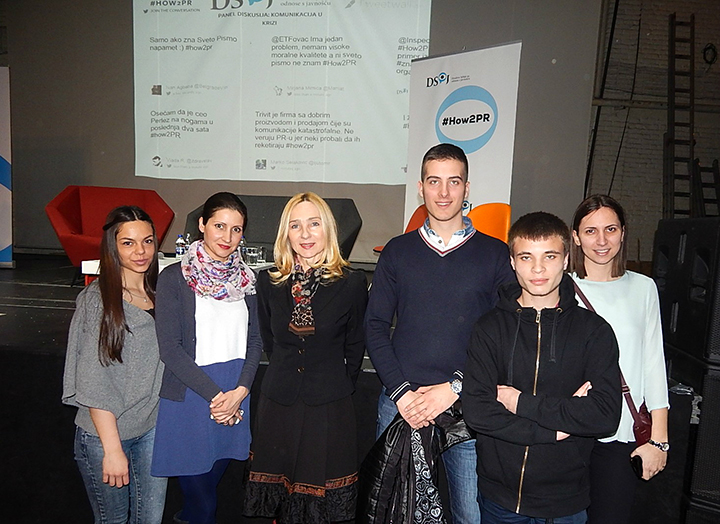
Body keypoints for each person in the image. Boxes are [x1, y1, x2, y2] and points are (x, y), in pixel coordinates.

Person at [365, 143, 515, 523]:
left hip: (468, 406)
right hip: (401, 405)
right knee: (392, 514)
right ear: (421, 188)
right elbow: (375, 326)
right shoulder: (397, 252)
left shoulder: (495, 254)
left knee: (470, 515)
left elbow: (507, 333)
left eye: (454, 182)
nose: (444, 192)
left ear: (467, 188)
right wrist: (402, 394)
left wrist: (455, 387)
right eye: (434, 182)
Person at [463, 211, 622, 524]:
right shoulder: (489, 328)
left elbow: (605, 415)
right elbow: (478, 411)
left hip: (566, 502)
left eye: (549, 256)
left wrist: (518, 402)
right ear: (512, 262)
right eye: (526, 257)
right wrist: (554, 430)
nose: (538, 269)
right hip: (501, 500)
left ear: (566, 260)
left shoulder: (594, 331)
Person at [243, 192, 368, 523]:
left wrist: (334, 383)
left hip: (328, 405)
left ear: (328, 229)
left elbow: (355, 345)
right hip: (278, 403)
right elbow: (270, 341)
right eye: (295, 225)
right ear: (285, 233)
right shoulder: (268, 282)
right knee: (278, 506)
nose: (305, 234)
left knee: (320, 508)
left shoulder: (352, 283)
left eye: (314, 224)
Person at [151, 192, 262, 524]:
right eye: (219, 226)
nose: (227, 237)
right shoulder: (174, 277)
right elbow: (170, 349)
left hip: (235, 393)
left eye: (236, 229)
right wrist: (218, 398)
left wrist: (239, 392)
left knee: (202, 498)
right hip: (192, 396)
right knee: (204, 505)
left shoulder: (247, 280)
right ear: (202, 224)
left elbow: (256, 340)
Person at [62, 205, 167, 524]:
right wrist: (112, 449)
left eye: (147, 241)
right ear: (112, 246)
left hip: (150, 428)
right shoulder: (99, 301)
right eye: (128, 243)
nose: (141, 251)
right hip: (105, 436)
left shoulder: (159, 292)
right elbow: (94, 381)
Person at [570, 195, 669, 524]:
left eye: (610, 229)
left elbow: (653, 363)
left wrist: (659, 440)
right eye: (591, 231)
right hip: (568, 431)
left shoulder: (644, 288)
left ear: (623, 232)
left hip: (621, 433)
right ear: (575, 237)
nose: (601, 240)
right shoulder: (560, 288)